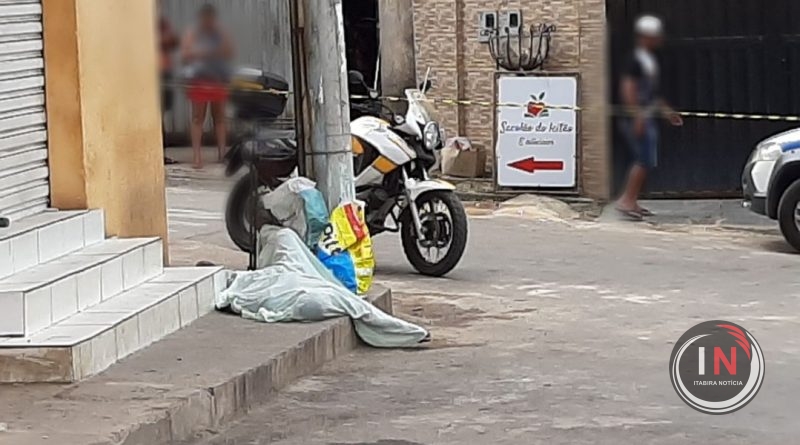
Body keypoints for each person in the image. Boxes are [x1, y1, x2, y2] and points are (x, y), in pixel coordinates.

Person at [616, 15, 683, 220]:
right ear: (645, 37)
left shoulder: (648, 60)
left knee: (647, 159)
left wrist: (667, 112)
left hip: (647, 115)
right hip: (639, 116)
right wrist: (637, 116)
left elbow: (652, 93)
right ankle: (626, 201)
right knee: (643, 159)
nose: (659, 39)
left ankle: (632, 200)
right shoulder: (635, 60)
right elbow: (628, 88)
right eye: (655, 36)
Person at [181, 4, 234, 169]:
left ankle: (222, 154)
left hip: (218, 79)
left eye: (210, 18)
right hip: (199, 80)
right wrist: (206, 53)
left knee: (219, 118)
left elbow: (228, 51)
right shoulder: (193, 33)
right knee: (198, 118)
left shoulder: (220, 32)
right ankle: (197, 157)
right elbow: (186, 54)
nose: (208, 21)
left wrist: (209, 51)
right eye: (205, 18)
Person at [159, 13, 180, 165]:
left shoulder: (162, 23)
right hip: (151, 73)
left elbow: (174, 41)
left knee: (162, 113)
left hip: (164, 72)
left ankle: (161, 152)